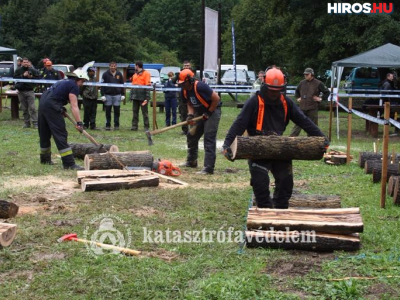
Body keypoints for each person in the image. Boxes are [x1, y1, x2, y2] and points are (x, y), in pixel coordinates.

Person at [222, 68, 328, 209]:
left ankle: (280, 211)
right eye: (272, 90)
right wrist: (227, 145)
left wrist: (322, 138)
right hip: (257, 149)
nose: (274, 94)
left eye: (278, 90)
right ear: (264, 85)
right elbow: (239, 123)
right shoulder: (254, 102)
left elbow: (304, 121)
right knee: (260, 183)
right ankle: (265, 212)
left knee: (286, 183)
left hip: (280, 148)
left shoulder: (286, 103)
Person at [38, 73, 87, 170]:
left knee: (44, 132)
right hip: (52, 104)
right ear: (78, 79)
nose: (81, 84)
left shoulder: (63, 81)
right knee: (60, 134)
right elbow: (74, 105)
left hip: (43, 101)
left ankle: (45, 159)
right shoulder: (74, 86)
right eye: (82, 81)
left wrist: (60, 108)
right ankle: (69, 163)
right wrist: (79, 123)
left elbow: (57, 95)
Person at [178, 69, 221, 175]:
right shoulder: (184, 90)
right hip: (200, 112)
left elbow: (216, 98)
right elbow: (189, 102)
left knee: (209, 137)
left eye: (184, 83)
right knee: (192, 135)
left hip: (213, 110)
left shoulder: (200, 86)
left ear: (190, 80)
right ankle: (192, 161)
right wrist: (190, 115)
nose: (182, 85)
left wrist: (209, 112)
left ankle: (208, 168)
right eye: (181, 83)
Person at [289, 68, 330, 136]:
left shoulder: (318, 83)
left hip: (312, 108)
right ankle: (291, 139)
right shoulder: (302, 82)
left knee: (313, 126)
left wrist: (320, 99)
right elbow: (297, 91)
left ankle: (312, 140)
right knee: (298, 124)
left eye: (307, 74)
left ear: (312, 74)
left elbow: (327, 92)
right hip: (302, 107)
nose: (305, 76)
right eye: (305, 74)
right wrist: (298, 97)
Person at [13, 57, 40, 128]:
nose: (25, 63)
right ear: (22, 63)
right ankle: (27, 123)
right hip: (21, 91)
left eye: (27, 62)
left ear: (28, 63)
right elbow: (14, 78)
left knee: (32, 108)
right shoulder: (18, 70)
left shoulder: (32, 70)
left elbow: (38, 78)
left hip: (30, 91)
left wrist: (31, 77)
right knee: (24, 108)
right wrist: (22, 76)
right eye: (24, 62)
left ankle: (35, 123)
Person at [100, 61, 125, 130]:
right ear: (109, 66)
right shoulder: (105, 74)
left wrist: (123, 94)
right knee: (108, 111)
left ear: (116, 67)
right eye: (111, 66)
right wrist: (102, 95)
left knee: (117, 111)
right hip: (108, 95)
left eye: (114, 66)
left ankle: (116, 125)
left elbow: (122, 85)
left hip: (117, 95)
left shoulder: (119, 74)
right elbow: (102, 85)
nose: (113, 67)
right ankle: (108, 125)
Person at [130, 61, 151, 131]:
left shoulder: (146, 74)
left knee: (145, 113)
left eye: (135, 66)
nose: (134, 67)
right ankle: (134, 126)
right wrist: (131, 96)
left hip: (143, 97)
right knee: (135, 112)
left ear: (137, 66)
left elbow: (148, 86)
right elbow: (132, 86)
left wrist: (147, 98)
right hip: (135, 97)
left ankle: (146, 127)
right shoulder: (135, 75)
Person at [177, 60, 193, 135]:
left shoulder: (193, 74)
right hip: (182, 97)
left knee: (192, 114)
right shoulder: (180, 74)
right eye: (185, 66)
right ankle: (184, 130)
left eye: (188, 66)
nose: (186, 67)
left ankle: (193, 129)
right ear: (183, 67)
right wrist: (177, 76)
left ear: (190, 66)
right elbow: (173, 81)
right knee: (183, 114)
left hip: (191, 96)